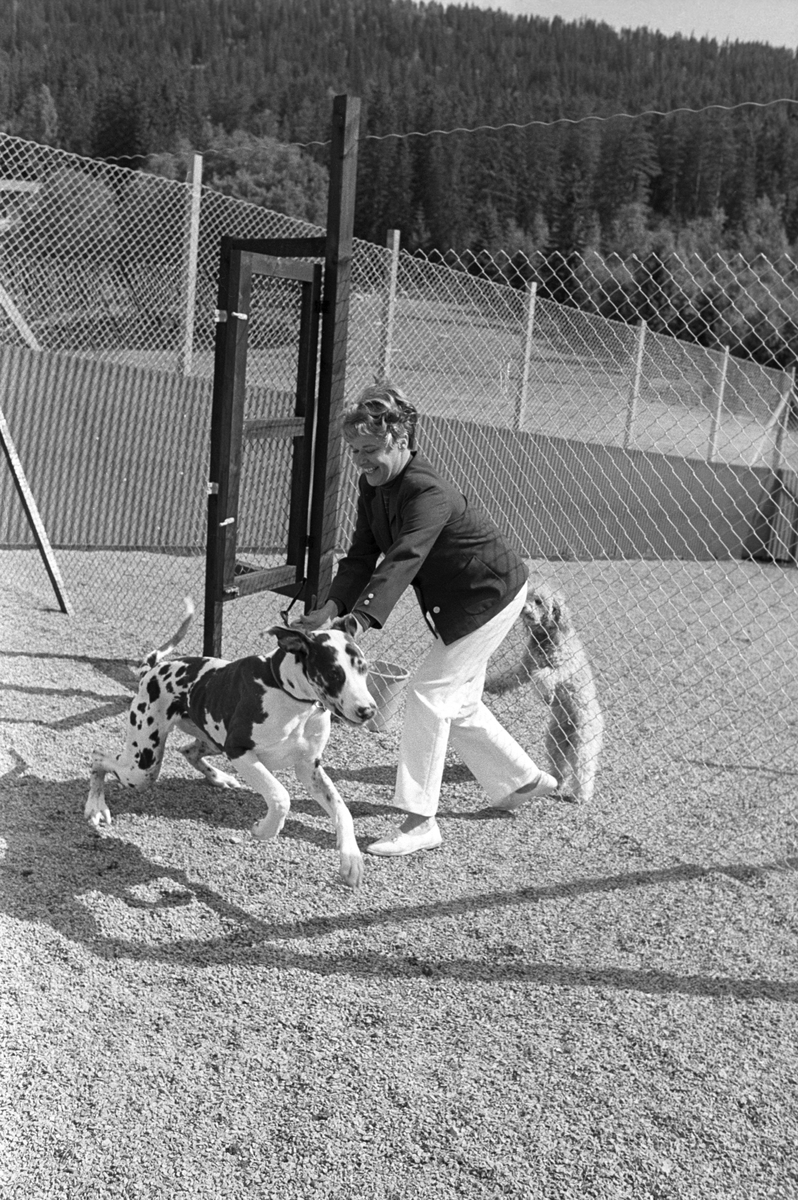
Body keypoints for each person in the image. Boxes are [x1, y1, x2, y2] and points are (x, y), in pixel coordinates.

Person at [293, 383, 557, 856]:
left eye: (370, 450)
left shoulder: (427, 490)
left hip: (489, 596)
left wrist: (359, 621)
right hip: (460, 602)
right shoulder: (373, 485)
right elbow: (361, 556)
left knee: (429, 695)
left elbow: (404, 558)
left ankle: (420, 822)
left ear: (400, 439)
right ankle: (521, 780)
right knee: (459, 702)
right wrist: (333, 607)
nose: (361, 460)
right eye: (354, 451)